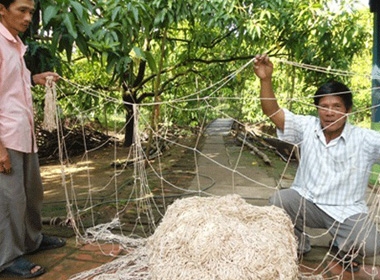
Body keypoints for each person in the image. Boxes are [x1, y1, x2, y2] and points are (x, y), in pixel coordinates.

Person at [253, 54, 380, 273]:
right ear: (318, 109)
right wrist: (265, 79)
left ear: (348, 110)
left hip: (347, 211)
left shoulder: (365, 139)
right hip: (307, 203)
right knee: (279, 201)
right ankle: (298, 244)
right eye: (324, 106)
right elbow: (273, 112)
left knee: (372, 245)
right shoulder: (306, 127)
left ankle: (342, 246)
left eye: (336, 106)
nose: (329, 112)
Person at [0, 0, 66, 277]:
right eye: (22, 10)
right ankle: (7, 258)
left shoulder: (13, 43)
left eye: (31, 12)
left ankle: (32, 240)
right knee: (9, 200)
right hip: (6, 136)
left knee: (32, 194)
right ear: (1, 8)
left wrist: (34, 78)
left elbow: (9, 83)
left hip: (23, 132)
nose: (28, 17)